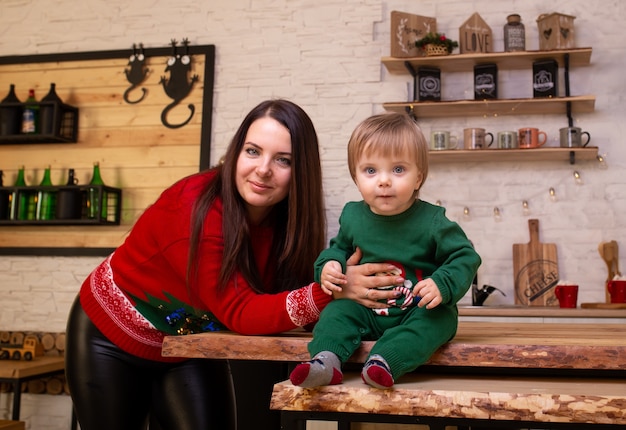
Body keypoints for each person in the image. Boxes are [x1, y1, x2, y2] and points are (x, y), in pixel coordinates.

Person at [65, 99, 404, 430]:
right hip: (111, 338)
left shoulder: (288, 221)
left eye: (283, 160)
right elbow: (239, 311)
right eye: (253, 151)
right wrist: (334, 292)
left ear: (300, 171)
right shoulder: (194, 208)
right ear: (235, 153)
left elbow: (293, 300)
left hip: (187, 343)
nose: (263, 169)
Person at [289, 112, 481, 389]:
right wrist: (329, 266)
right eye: (370, 170)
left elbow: (465, 256)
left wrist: (442, 283)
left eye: (398, 170)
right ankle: (325, 360)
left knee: (440, 319)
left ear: (419, 178)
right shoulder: (352, 216)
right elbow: (339, 249)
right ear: (356, 177)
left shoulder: (433, 221)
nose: (384, 180)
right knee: (336, 313)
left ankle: (385, 361)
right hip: (366, 309)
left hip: (416, 309)